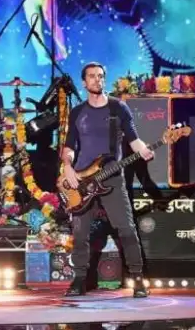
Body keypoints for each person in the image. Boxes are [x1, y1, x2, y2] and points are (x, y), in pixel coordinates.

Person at [60, 62, 152, 298]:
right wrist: (68, 166)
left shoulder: (118, 108)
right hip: (82, 181)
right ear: (84, 82)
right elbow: (69, 147)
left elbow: (134, 139)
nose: (97, 80)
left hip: (112, 179)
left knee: (127, 229)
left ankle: (138, 279)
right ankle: (79, 279)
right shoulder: (77, 112)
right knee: (80, 233)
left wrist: (143, 150)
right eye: (92, 76)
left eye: (100, 76)